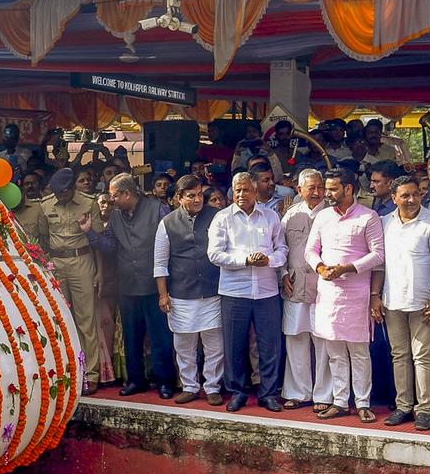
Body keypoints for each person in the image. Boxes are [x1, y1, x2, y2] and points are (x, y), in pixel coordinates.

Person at [83, 174, 176, 399]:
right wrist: (90, 233)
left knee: (160, 337)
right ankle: (136, 380)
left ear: (127, 194)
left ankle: (165, 382)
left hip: (155, 284)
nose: (111, 200)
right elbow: (110, 246)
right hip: (127, 286)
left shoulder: (158, 209)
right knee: (132, 337)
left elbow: (172, 243)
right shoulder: (116, 216)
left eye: (114, 195)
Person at [305, 168, 386, 422]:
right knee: (334, 350)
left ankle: (362, 402)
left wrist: (348, 268)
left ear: (349, 189)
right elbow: (310, 250)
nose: (327, 194)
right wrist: (320, 267)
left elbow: (378, 254)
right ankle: (340, 401)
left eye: (332, 189)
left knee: (359, 351)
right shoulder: (323, 217)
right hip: (328, 292)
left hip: (357, 294)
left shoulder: (368, 217)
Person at [207, 171, 288, 412]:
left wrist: (269, 260)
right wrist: (246, 260)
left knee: (269, 344)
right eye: (237, 190)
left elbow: (282, 249)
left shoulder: (271, 216)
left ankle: (268, 392)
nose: (241, 194)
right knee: (234, 345)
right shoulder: (222, 218)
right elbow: (214, 254)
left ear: (255, 192)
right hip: (235, 292)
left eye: (246, 190)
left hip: (266, 291)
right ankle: (238, 391)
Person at [373, 176, 430, 430]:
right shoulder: (384, 223)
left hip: (424, 302)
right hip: (393, 301)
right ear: (394, 198)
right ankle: (404, 406)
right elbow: (380, 265)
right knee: (399, 355)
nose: (412, 200)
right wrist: (375, 295)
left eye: (416, 194)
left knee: (422, 356)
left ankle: (424, 409)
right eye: (405, 195)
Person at [153, 175, 224, 405]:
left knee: (214, 344)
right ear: (179, 198)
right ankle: (190, 386)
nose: (197, 199)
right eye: (191, 196)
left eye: (199, 194)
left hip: (213, 290)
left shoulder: (216, 217)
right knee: (184, 345)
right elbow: (160, 262)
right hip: (181, 293)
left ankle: (212, 387)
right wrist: (163, 294)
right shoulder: (167, 223)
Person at [37, 168, 103, 393]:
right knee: (61, 320)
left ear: (72, 188)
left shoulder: (88, 203)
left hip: (82, 259)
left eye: (64, 193)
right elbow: (43, 237)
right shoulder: (45, 204)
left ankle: (91, 374)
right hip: (57, 262)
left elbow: (98, 240)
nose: (60, 197)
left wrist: (99, 272)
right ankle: (66, 370)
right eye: (57, 193)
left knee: (86, 319)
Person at [280, 169, 332, 411]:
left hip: (325, 288)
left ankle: (324, 395)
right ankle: (298, 392)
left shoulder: (332, 212)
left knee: (323, 341)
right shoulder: (290, 215)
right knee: (296, 338)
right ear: (299, 190)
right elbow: (279, 248)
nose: (317, 192)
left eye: (320, 187)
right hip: (295, 286)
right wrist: (282, 275)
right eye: (311, 188)